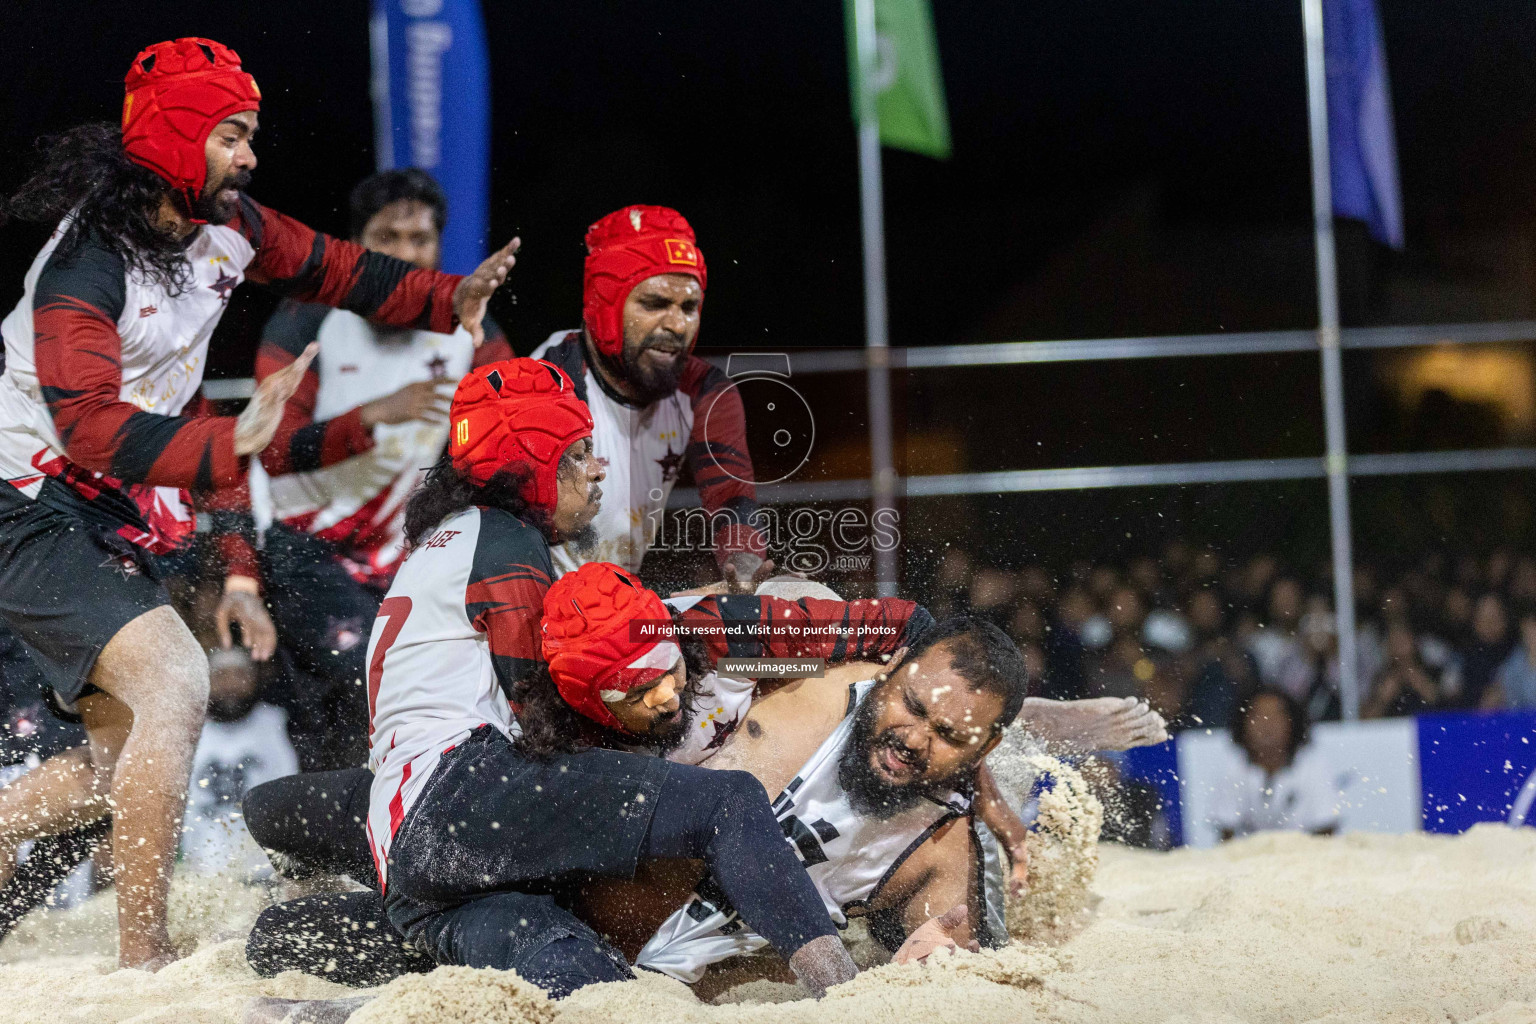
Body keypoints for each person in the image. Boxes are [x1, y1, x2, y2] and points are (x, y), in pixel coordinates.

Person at [0, 37, 518, 968]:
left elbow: (339, 268)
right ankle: (144, 964)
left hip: (105, 507)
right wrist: (229, 444)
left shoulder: (227, 226)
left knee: (122, 765)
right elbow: (85, 427)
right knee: (177, 682)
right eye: (232, 135)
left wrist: (452, 296)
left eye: (251, 135)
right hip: (25, 495)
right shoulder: (83, 266)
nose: (250, 156)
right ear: (171, 139)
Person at [251, 356, 859, 1011]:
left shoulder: (449, 540)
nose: (598, 469)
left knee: (573, 962)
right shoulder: (507, 539)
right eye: (579, 454)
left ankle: (289, 955)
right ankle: (849, 996)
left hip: (408, 842)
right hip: (456, 796)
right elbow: (549, 710)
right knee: (727, 803)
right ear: (531, 463)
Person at [241, 572, 1166, 995]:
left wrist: (988, 804)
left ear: (979, 750)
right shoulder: (806, 676)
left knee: (282, 939)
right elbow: (678, 627)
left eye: (947, 737)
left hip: (579, 930)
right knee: (276, 812)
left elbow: (952, 960)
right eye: (910, 707)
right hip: (536, 817)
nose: (910, 737)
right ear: (885, 672)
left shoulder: (946, 844)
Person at [249, 168, 514, 771]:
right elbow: (267, 448)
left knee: (380, 705)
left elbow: (513, 444)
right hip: (304, 547)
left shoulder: (472, 330)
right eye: (385, 238)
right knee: (365, 682)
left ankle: (368, 845)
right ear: (357, 248)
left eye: (419, 240)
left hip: (410, 557)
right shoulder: (306, 322)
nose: (403, 254)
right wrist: (371, 415)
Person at [531, 205, 770, 584]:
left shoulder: (704, 391)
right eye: (655, 304)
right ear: (605, 305)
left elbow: (731, 501)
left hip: (616, 601)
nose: (676, 324)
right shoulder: (547, 384)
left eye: (689, 307)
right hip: (536, 606)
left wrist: (745, 577)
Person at [1212, 688, 1339, 840]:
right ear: (1243, 723)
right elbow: (1226, 833)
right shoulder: (1234, 768)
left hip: (1306, 857)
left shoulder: (1313, 765)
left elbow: (1327, 829)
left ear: (1292, 722)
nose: (1267, 724)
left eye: (1276, 716)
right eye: (1258, 716)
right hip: (1249, 859)